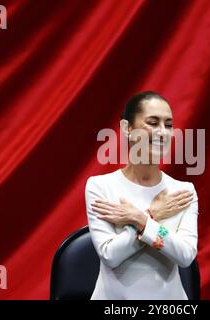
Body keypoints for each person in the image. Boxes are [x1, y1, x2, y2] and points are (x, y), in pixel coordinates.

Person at [85, 91, 199, 300]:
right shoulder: (100, 186)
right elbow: (110, 255)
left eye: (169, 125)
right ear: (127, 128)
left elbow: (185, 256)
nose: (163, 132)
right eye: (153, 123)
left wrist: (141, 220)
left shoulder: (184, 191)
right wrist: (153, 214)